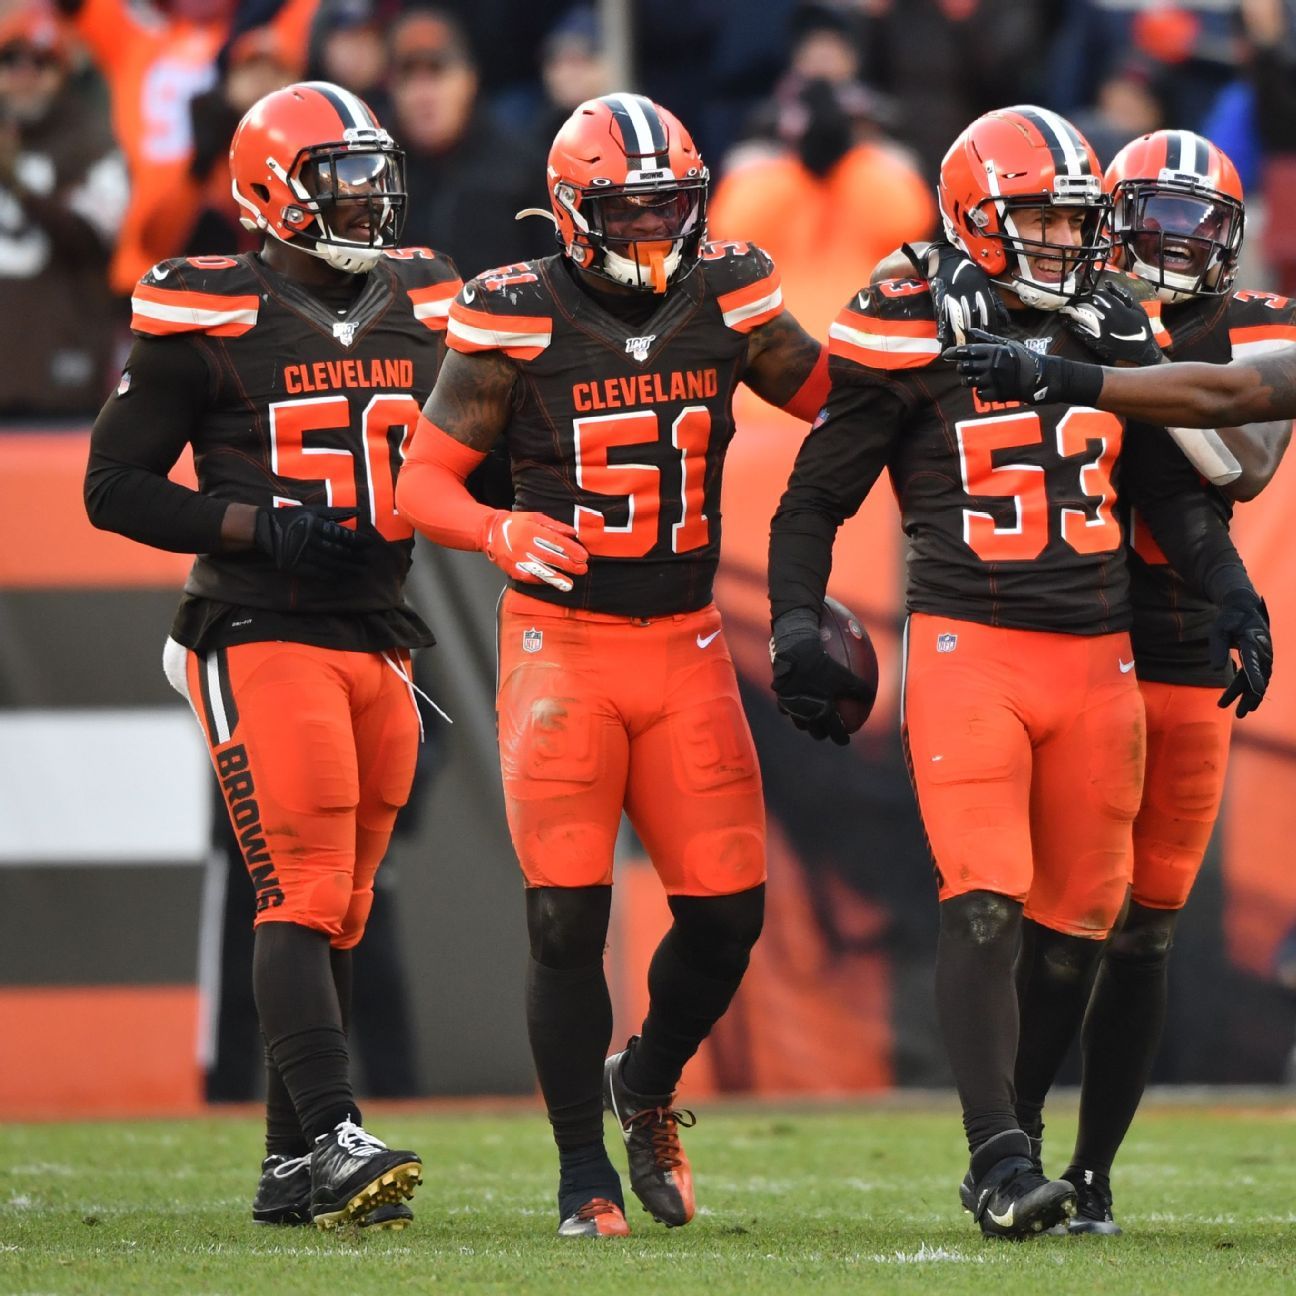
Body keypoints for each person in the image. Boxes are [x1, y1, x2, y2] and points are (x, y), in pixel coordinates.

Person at [767, 105, 1270, 1241]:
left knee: (1081, 923)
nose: (1062, 242)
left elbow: (1171, 487)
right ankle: (997, 1156)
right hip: (971, 641)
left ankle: (1028, 1143)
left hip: (1101, 654)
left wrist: (1229, 586)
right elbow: (814, 494)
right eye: (1037, 218)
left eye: (1074, 220)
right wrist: (793, 618)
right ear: (974, 220)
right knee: (984, 898)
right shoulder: (906, 315)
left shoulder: (1105, 314)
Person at [395, 92, 830, 1238]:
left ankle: (641, 1083)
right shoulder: (514, 314)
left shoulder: (728, 290)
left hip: (687, 642)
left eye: (668, 209)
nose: (653, 235)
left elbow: (834, 397)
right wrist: (495, 531)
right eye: (628, 212)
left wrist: (911, 347)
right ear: (571, 213)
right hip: (565, 643)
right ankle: (581, 1173)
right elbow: (421, 484)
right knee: (564, 920)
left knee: (729, 915)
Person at [84, 80, 462, 1230]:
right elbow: (113, 485)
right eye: (337, 181)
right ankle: (338, 1134)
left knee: (343, 904)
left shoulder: (424, 297)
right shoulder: (209, 308)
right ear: (269, 193)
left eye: (370, 177)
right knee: (298, 889)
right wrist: (257, 523)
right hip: (255, 623)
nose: (365, 202)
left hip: (377, 631)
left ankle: (291, 1167)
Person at [0, 1, 127, 418]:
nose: (25, 76)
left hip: (60, 374)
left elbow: (93, 239)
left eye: (41, 62)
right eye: (11, 61)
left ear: (65, 74)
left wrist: (17, 181)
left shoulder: (92, 144)